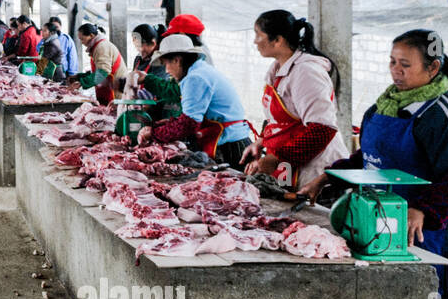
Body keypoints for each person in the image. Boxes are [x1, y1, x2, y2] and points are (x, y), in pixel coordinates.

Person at [301, 30, 448, 299]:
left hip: (428, 233)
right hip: (379, 222)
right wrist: (328, 177)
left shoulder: (443, 114)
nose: (396, 71)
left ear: (433, 68)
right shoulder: (385, 106)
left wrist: (423, 210)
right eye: (392, 62)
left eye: (405, 65)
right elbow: (369, 157)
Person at [241, 10, 350, 187]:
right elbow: (276, 119)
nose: (255, 41)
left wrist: (276, 159)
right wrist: (261, 142)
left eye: (258, 35)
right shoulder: (278, 69)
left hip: (314, 171)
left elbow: (323, 128)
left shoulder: (306, 72)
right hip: (288, 167)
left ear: (277, 40)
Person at [137, 33, 252, 164]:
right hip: (232, 140)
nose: (167, 71)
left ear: (177, 60)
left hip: (231, 147)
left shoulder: (195, 78)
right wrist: (169, 123)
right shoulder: (199, 71)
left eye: (166, 64)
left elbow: (188, 124)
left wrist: (154, 133)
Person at [69, 23, 127, 105]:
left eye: (82, 39)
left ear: (91, 35)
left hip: (115, 89)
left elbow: (103, 72)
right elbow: (98, 70)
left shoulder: (101, 47)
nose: (82, 42)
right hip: (107, 85)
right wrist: (79, 77)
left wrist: (82, 82)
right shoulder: (97, 46)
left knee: (113, 111)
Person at [124, 23, 166, 97]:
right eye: (136, 47)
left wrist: (134, 96)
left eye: (139, 46)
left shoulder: (161, 61)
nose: (138, 50)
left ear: (153, 43)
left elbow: (158, 90)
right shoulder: (138, 58)